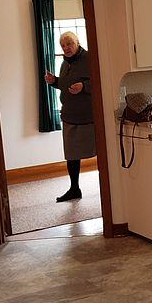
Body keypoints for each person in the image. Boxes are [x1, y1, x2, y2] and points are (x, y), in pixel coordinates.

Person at [44, 31, 95, 202]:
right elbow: (66, 85)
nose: (66, 48)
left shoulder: (89, 59)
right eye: (63, 46)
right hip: (69, 116)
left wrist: (84, 86)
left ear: (77, 43)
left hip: (88, 117)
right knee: (71, 155)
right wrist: (54, 82)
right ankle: (74, 189)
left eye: (69, 44)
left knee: (98, 153)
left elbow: (100, 82)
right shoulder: (65, 63)